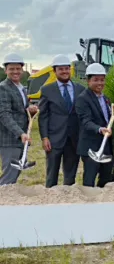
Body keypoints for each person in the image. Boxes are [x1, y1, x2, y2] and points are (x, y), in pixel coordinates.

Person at [38, 54, 85, 187]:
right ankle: (50, 199)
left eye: (67, 68)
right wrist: (45, 137)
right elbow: (43, 116)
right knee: (52, 173)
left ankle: (67, 199)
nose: (64, 72)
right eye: (61, 69)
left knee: (71, 174)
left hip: (74, 138)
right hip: (54, 139)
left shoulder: (80, 89)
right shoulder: (47, 90)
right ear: (55, 71)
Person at [75, 63, 114, 187]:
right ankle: (89, 202)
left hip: (106, 146)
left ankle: (102, 202)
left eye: (102, 80)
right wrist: (99, 129)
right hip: (91, 146)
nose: (100, 83)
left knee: (106, 178)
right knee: (89, 179)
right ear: (88, 80)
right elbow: (86, 121)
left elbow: (108, 121)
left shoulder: (105, 98)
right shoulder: (83, 99)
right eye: (96, 80)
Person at [0, 53, 38, 185]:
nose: (15, 71)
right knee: (9, 176)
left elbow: (21, 110)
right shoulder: (3, 88)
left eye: (18, 68)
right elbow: (4, 115)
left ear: (22, 70)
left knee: (15, 173)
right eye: (11, 69)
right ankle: (4, 201)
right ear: (6, 70)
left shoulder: (21, 88)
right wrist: (20, 133)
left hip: (21, 139)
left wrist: (30, 110)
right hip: (9, 139)